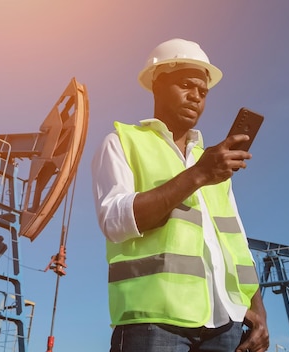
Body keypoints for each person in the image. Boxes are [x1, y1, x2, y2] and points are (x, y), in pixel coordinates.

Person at [92, 38, 270, 352]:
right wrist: (198, 174)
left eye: (203, 92)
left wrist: (258, 311)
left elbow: (237, 245)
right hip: (152, 321)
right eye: (186, 85)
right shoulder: (122, 142)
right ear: (157, 85)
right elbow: (115, 221)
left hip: (225, 324)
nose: (196, 98)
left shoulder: (214, 162)